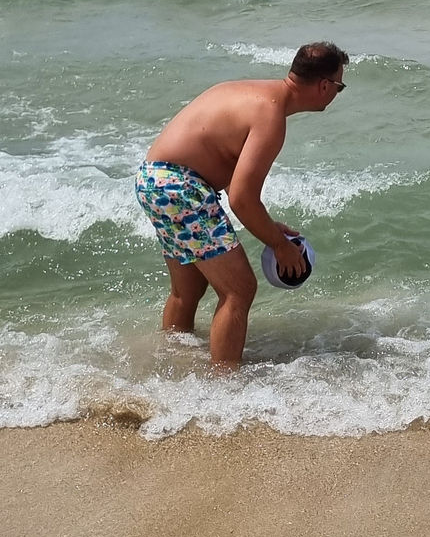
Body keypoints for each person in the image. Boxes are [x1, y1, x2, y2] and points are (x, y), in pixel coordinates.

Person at [136, 42, 348, 365]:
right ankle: (224, 384)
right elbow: (241, 198)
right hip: (181, 187)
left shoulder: (254, 93)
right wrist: (280, 246)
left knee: (187, 290)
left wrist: (269, 228)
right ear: (324, 85)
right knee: (240, 289)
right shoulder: (271, 115)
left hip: (155, 181)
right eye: (339, 86)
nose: (336, 93)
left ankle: (170, 367)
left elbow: (229, 176)